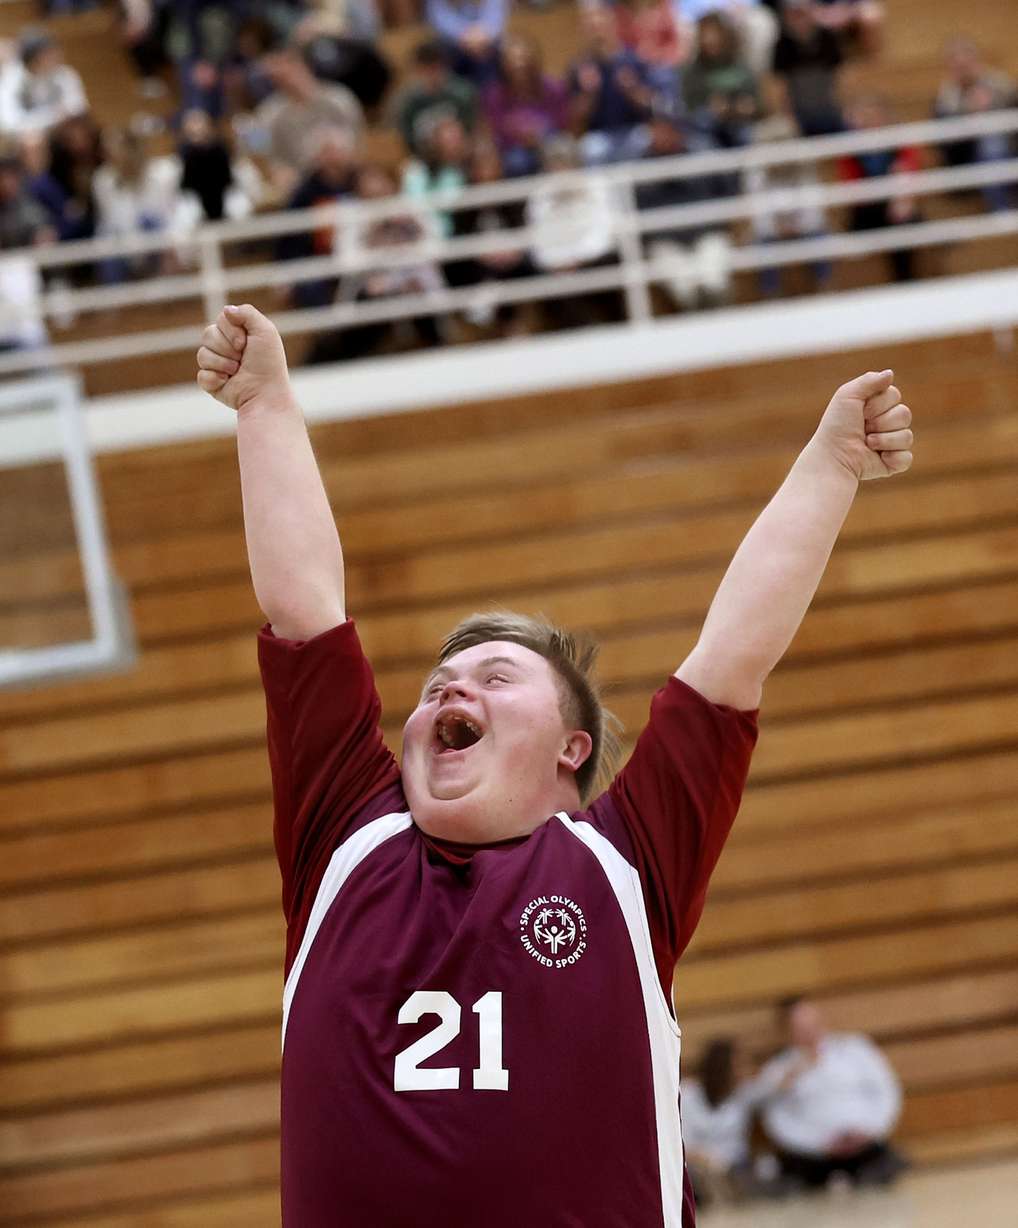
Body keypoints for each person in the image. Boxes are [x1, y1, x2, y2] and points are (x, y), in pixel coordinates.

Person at [194, 292, 915, 1226]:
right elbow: (304, 606)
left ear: (575, 748)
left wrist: (831, 465)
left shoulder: (625, 859)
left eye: (495, 677)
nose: (452, 692)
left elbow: (734, 655)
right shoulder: (345, 834)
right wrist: (265, 406)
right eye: (440, 683)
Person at [303, 162, 445, 363]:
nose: (375, 187)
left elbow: (436, 246)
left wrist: (410, 237)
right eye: (368, 181)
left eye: (379, 179)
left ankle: (434, 350)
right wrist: (371, 237)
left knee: (415, 294)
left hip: (411, 281)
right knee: (374, 300)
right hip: (368, 285)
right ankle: (353, 358)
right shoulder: (352, 213)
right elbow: (345, 261)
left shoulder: (410, 208)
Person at [760, 996, 908, 1188]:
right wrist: (818, 1144)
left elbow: (887, 1091)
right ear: (786, 1030)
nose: (809, 1031)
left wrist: (870, 1130)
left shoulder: (855, 1048)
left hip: (864, 1141)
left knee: (881, 1162)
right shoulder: (779, 1069)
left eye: (812, 1023)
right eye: (801, 1027)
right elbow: (777, 1120)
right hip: (815, 1154)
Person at [839, 94, 922, 284]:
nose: (869, 120)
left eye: (874, 115)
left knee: (904, 222)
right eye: (864, 116)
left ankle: (905, 283)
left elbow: (910, 170)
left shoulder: (898, 141)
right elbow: (851, 187)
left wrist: (901, 198)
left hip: (896, 205)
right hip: (867, 208)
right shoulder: (850, 146)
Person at [682, 1037, 772, 1206]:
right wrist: (708, 1161)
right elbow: (683, 1146)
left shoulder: (744, 1093)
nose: (742, 1071)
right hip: (700, 1170)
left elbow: (773, 1085)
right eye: (737, 1066)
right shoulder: (688, 1095)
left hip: (736, 1168)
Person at [934, 38, 1016, 214]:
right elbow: (945, 145)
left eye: (967, 63)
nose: (964, 70)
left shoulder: (1001, 84)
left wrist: (994, 102)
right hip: (969, 156)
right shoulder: (946, 97)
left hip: (1011, 147)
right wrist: (967, 113)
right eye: (958, 65)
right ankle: (1000, 208)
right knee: (991, 144)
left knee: (994, 143)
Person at [568, 5, 656, 166]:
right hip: (599, 135)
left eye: (600, 26)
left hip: (633, 129)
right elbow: (575, 120)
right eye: (591, 28)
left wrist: (631, 89)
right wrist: (589, 93)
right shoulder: (578, 67)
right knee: (590, 149)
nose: (597, 33)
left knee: (646, 140)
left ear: (612, 25)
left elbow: (651, 106)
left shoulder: (633, 59)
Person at [482, 34, 569, 178]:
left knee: (561, 151)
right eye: (513, 60)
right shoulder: (495, 95)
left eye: (522, 58)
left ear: (533, 60)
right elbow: (496, 132)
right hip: (513, 150)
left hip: (551, 144)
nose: (518, 64)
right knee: (516, 162)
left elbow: (563, 123)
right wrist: (519, 137)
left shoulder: (553, 88)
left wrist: (541, 133)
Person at [682, 13, 761, 147]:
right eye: (706, 35)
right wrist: (710, 109)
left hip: (740, 124)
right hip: (705, 130)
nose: (710, 40)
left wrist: (746, 107)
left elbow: (756, 100)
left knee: (748, 135)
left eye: (714, 34)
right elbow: (688, 109)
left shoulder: (739, 65)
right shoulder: (693, 71)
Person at [392, 40, 479, 161]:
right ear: (417, 70)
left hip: (462, 154)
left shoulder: (462, 93)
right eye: (426, 69)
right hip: (426, 161)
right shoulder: (406, 102)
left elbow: (472, 129)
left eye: (435, 67)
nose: (431, 74)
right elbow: (406, 141)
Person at [772, 0, 844, 136]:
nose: (798, 21)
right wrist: (789, 117)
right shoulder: (782, 46)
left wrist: (843, 107)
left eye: (801, 14)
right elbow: (779, 87)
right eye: (793, 16)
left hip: (830, 110)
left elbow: (842, 78)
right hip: (800, 115)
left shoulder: (828, 39)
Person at [0, 29, 88, 136]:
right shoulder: (13, 79)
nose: (57, 56)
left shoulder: (64, 74)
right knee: (32, 140)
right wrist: (51, 116)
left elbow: (78, 107)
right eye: (49, 54)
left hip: (62, 131)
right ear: (33, 59)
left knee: (78, 133)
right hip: (28, 135)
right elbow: (10, 123)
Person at [425, 0, 507, 86]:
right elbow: (440, 20)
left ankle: (490, 93)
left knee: (496, 50)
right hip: (455, 47)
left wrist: (483, 36)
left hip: (486, 43)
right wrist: (466, 37)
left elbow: (496, 20)